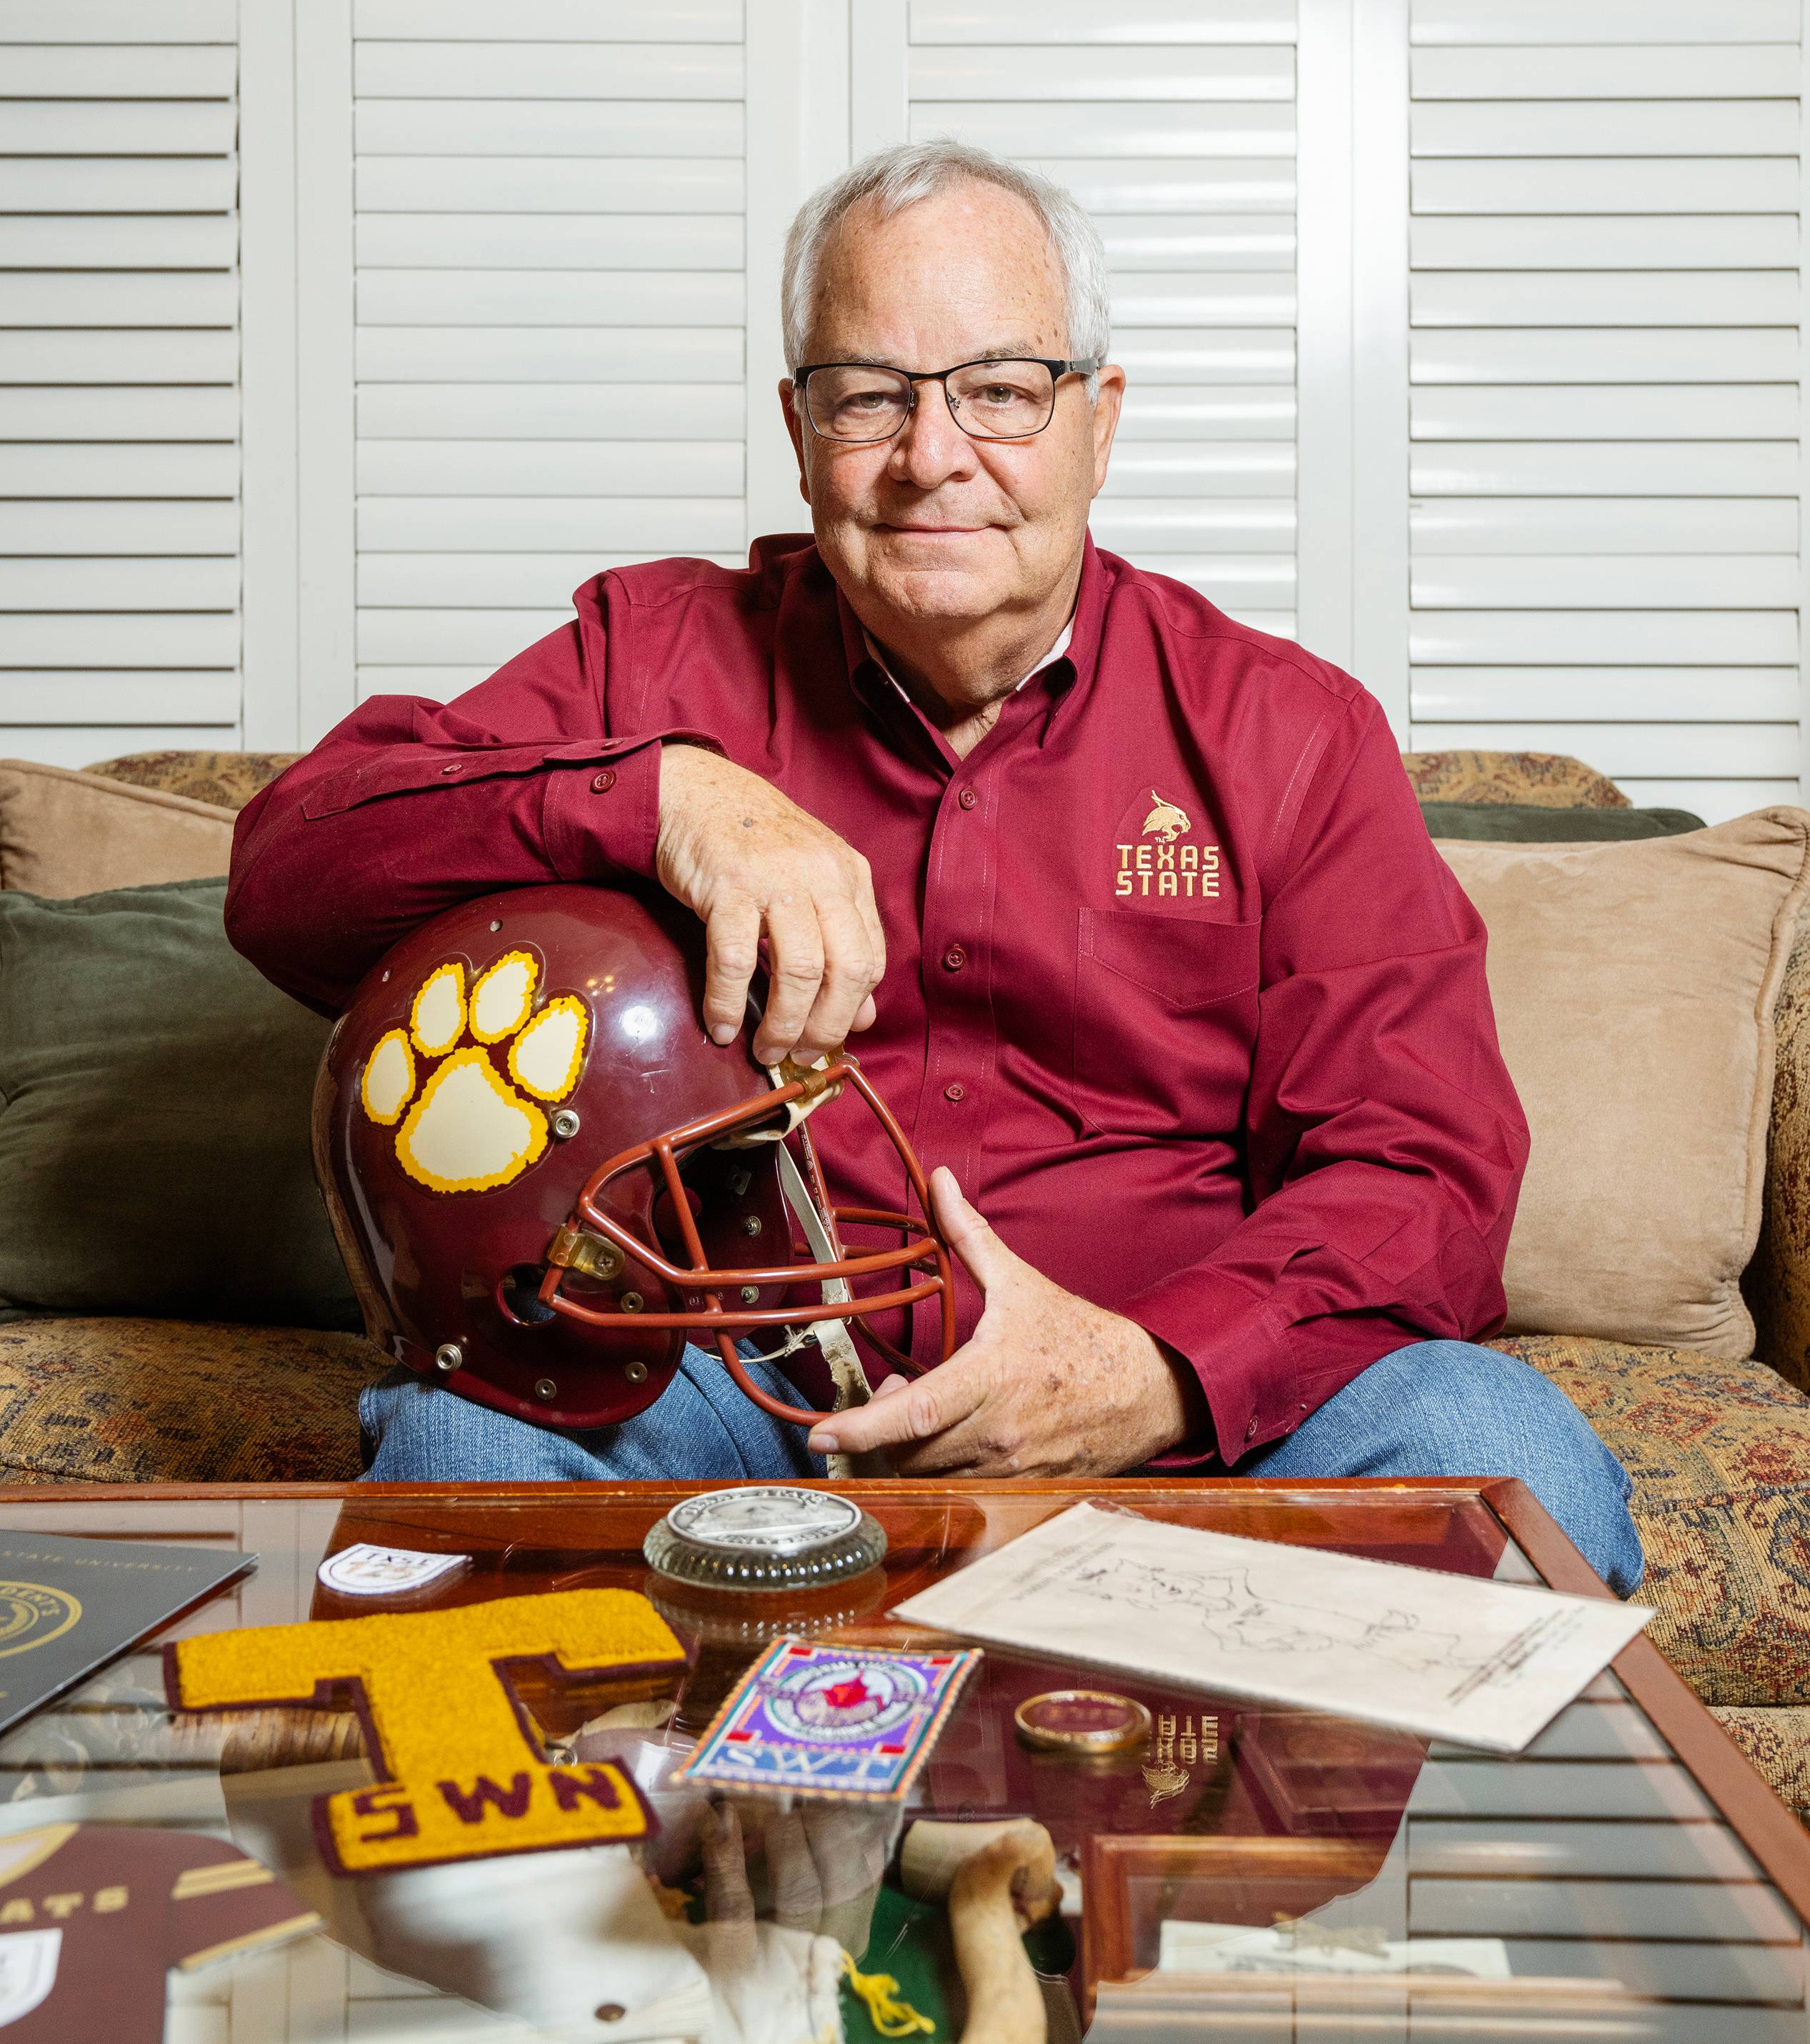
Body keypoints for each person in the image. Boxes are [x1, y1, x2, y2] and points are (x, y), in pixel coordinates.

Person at [227, 142, 1641, 1592]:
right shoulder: (648, 658)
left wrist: (1155, 1366)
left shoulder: (1284, 730)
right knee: (467, 1447)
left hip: (1185, 1427)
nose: (931, 456)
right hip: (736, 1402)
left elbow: (1424, 1165)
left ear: (1099, 419)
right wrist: (656, 797)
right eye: (869, 396)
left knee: (1495, 1443)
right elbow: (288, 875)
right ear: (797, 429)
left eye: (1002, 389)